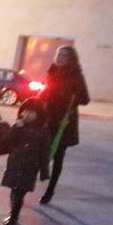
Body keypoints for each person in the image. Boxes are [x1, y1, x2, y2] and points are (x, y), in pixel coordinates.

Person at [39, 45, 90, 204]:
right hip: (48, 118)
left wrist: (68, 95)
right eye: (58, 54)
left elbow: (85, 99)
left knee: (58, 156)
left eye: (64, 55)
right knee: (40, 150)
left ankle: (50, 190)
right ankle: (37, 177)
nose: (60, 57)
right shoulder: (52, 71)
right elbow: (46, 91)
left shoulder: (76, 76)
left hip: (64, 122)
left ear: (71, 59)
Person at [0, 98, 50, 225]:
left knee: (19, 192)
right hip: (15, 164)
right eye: (25, 111)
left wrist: (44, 170)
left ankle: (13, 218)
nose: (27, 115)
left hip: (30, 167)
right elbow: (7, 141)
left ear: (39, 114)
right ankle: (13, 215)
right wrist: (16, 127)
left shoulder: (43, 131)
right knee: (13, 191)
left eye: (31, 112)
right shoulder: (19, 127)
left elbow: (45, 152)